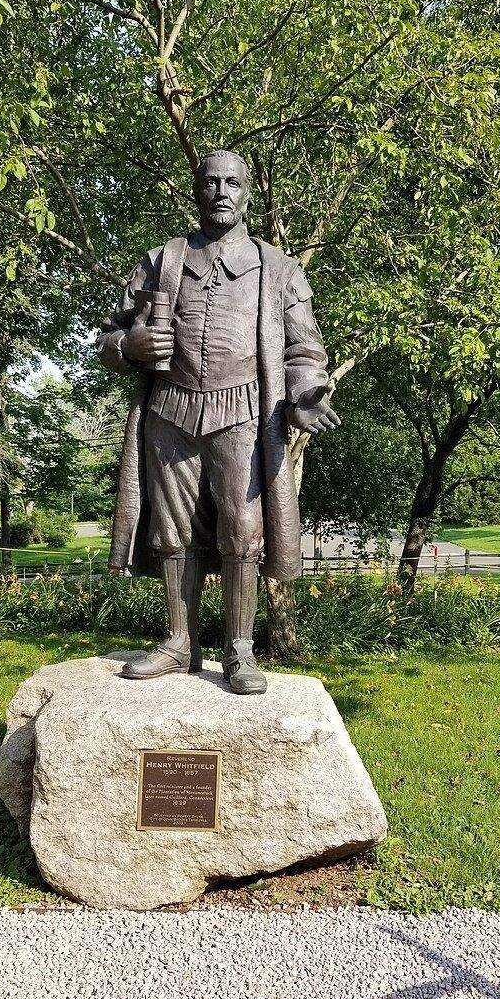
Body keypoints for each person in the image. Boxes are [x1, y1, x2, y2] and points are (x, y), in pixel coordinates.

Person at [98, 149, 339, 693]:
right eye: (211, 182)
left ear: (247, 192)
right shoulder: (162, 260)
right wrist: (129, 344)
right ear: (196, 190)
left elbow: (305, 351)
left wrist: (307, 394)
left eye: (232, 182)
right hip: (171, 409)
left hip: (245, 412)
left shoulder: (277, 268)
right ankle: (179, 642)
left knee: (242, 530)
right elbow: (108, 338)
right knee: (171, 530)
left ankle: (239, 648)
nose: (221, 192)